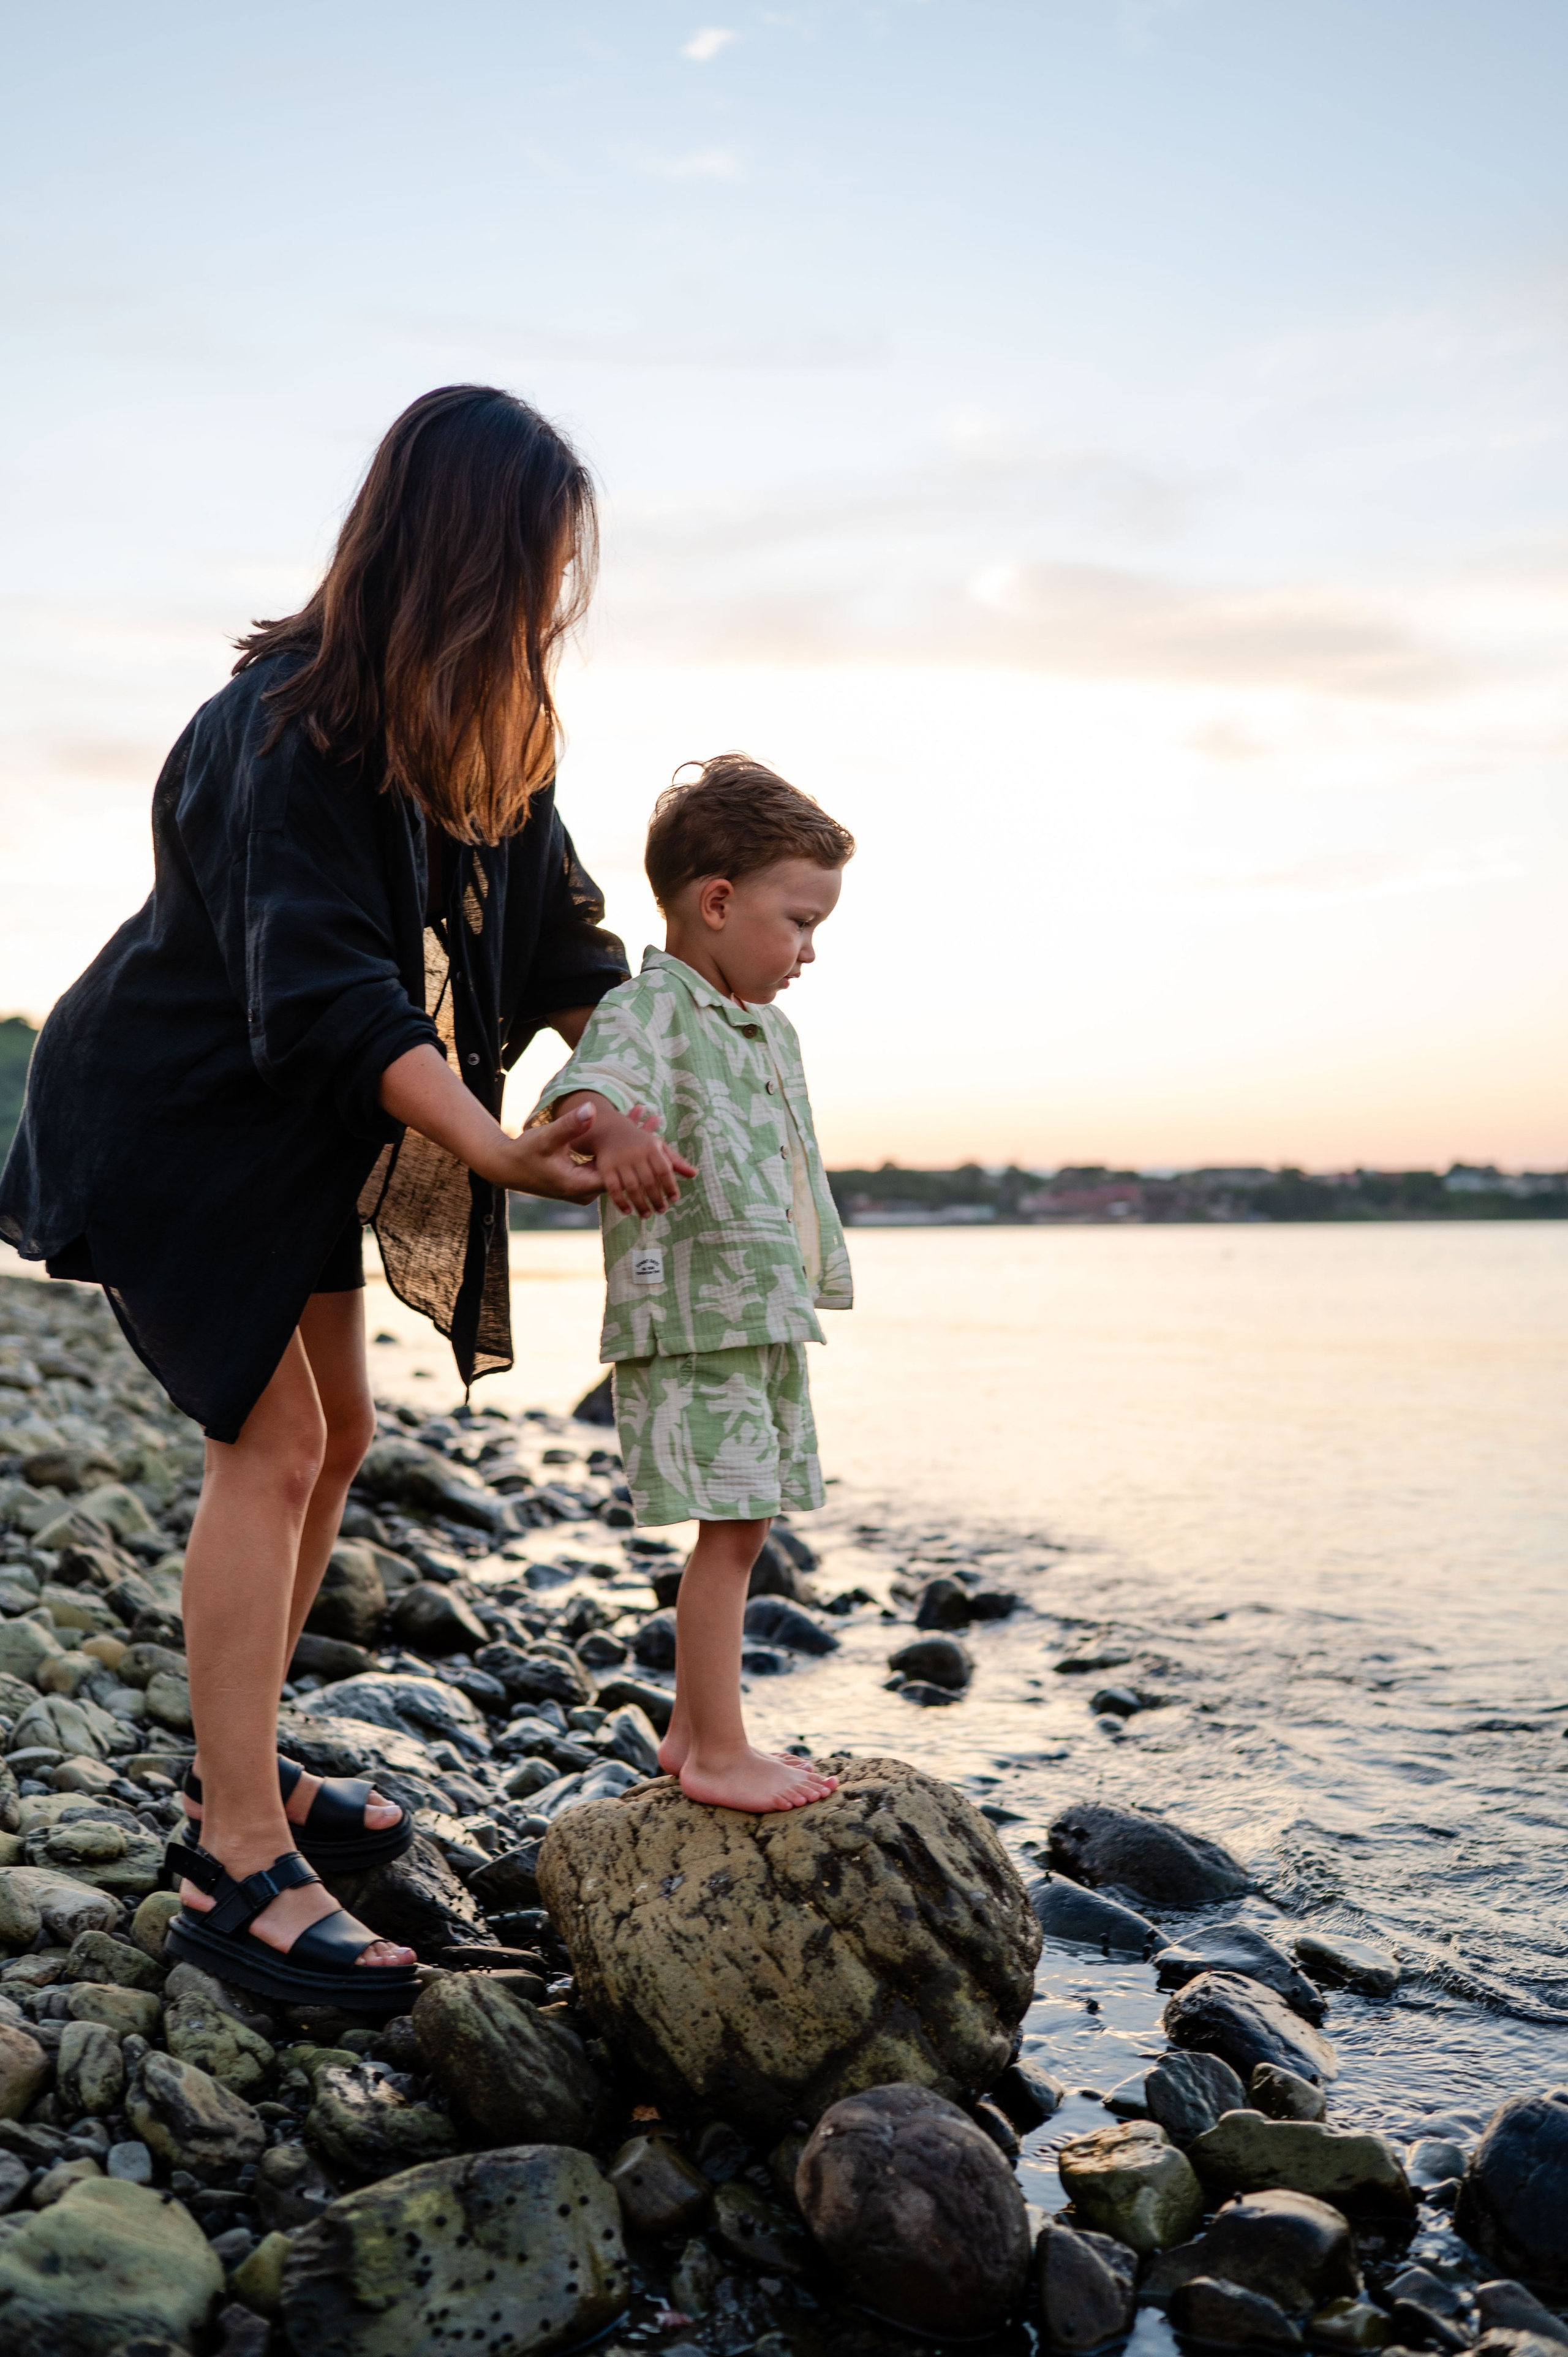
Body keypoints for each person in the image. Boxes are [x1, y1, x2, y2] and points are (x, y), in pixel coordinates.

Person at [0, 385, 630, 2007]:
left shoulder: (491, 743)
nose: (562, 594)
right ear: (473, 552)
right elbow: (338, 996)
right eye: (547, 558)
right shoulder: (285, 725)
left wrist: (635, 1077)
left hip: (292, 1136)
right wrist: (491, 1148)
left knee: (338, 1436)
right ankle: (233, 1856)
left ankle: (248, 1768)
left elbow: (565, 950)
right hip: (171, 1116)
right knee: (271, 1444)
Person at [535, 753, 855, 1812]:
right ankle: (719, 1750)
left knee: (751, 1524)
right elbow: (578, 1094)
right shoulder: (649, 1008)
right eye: (799, 921)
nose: (810, 951)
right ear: (717, 903)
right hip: (695, 1314)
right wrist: (614, 1127)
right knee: (731, 1532)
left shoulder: (767, 1028)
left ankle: (688, 1730)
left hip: (760, 1308)